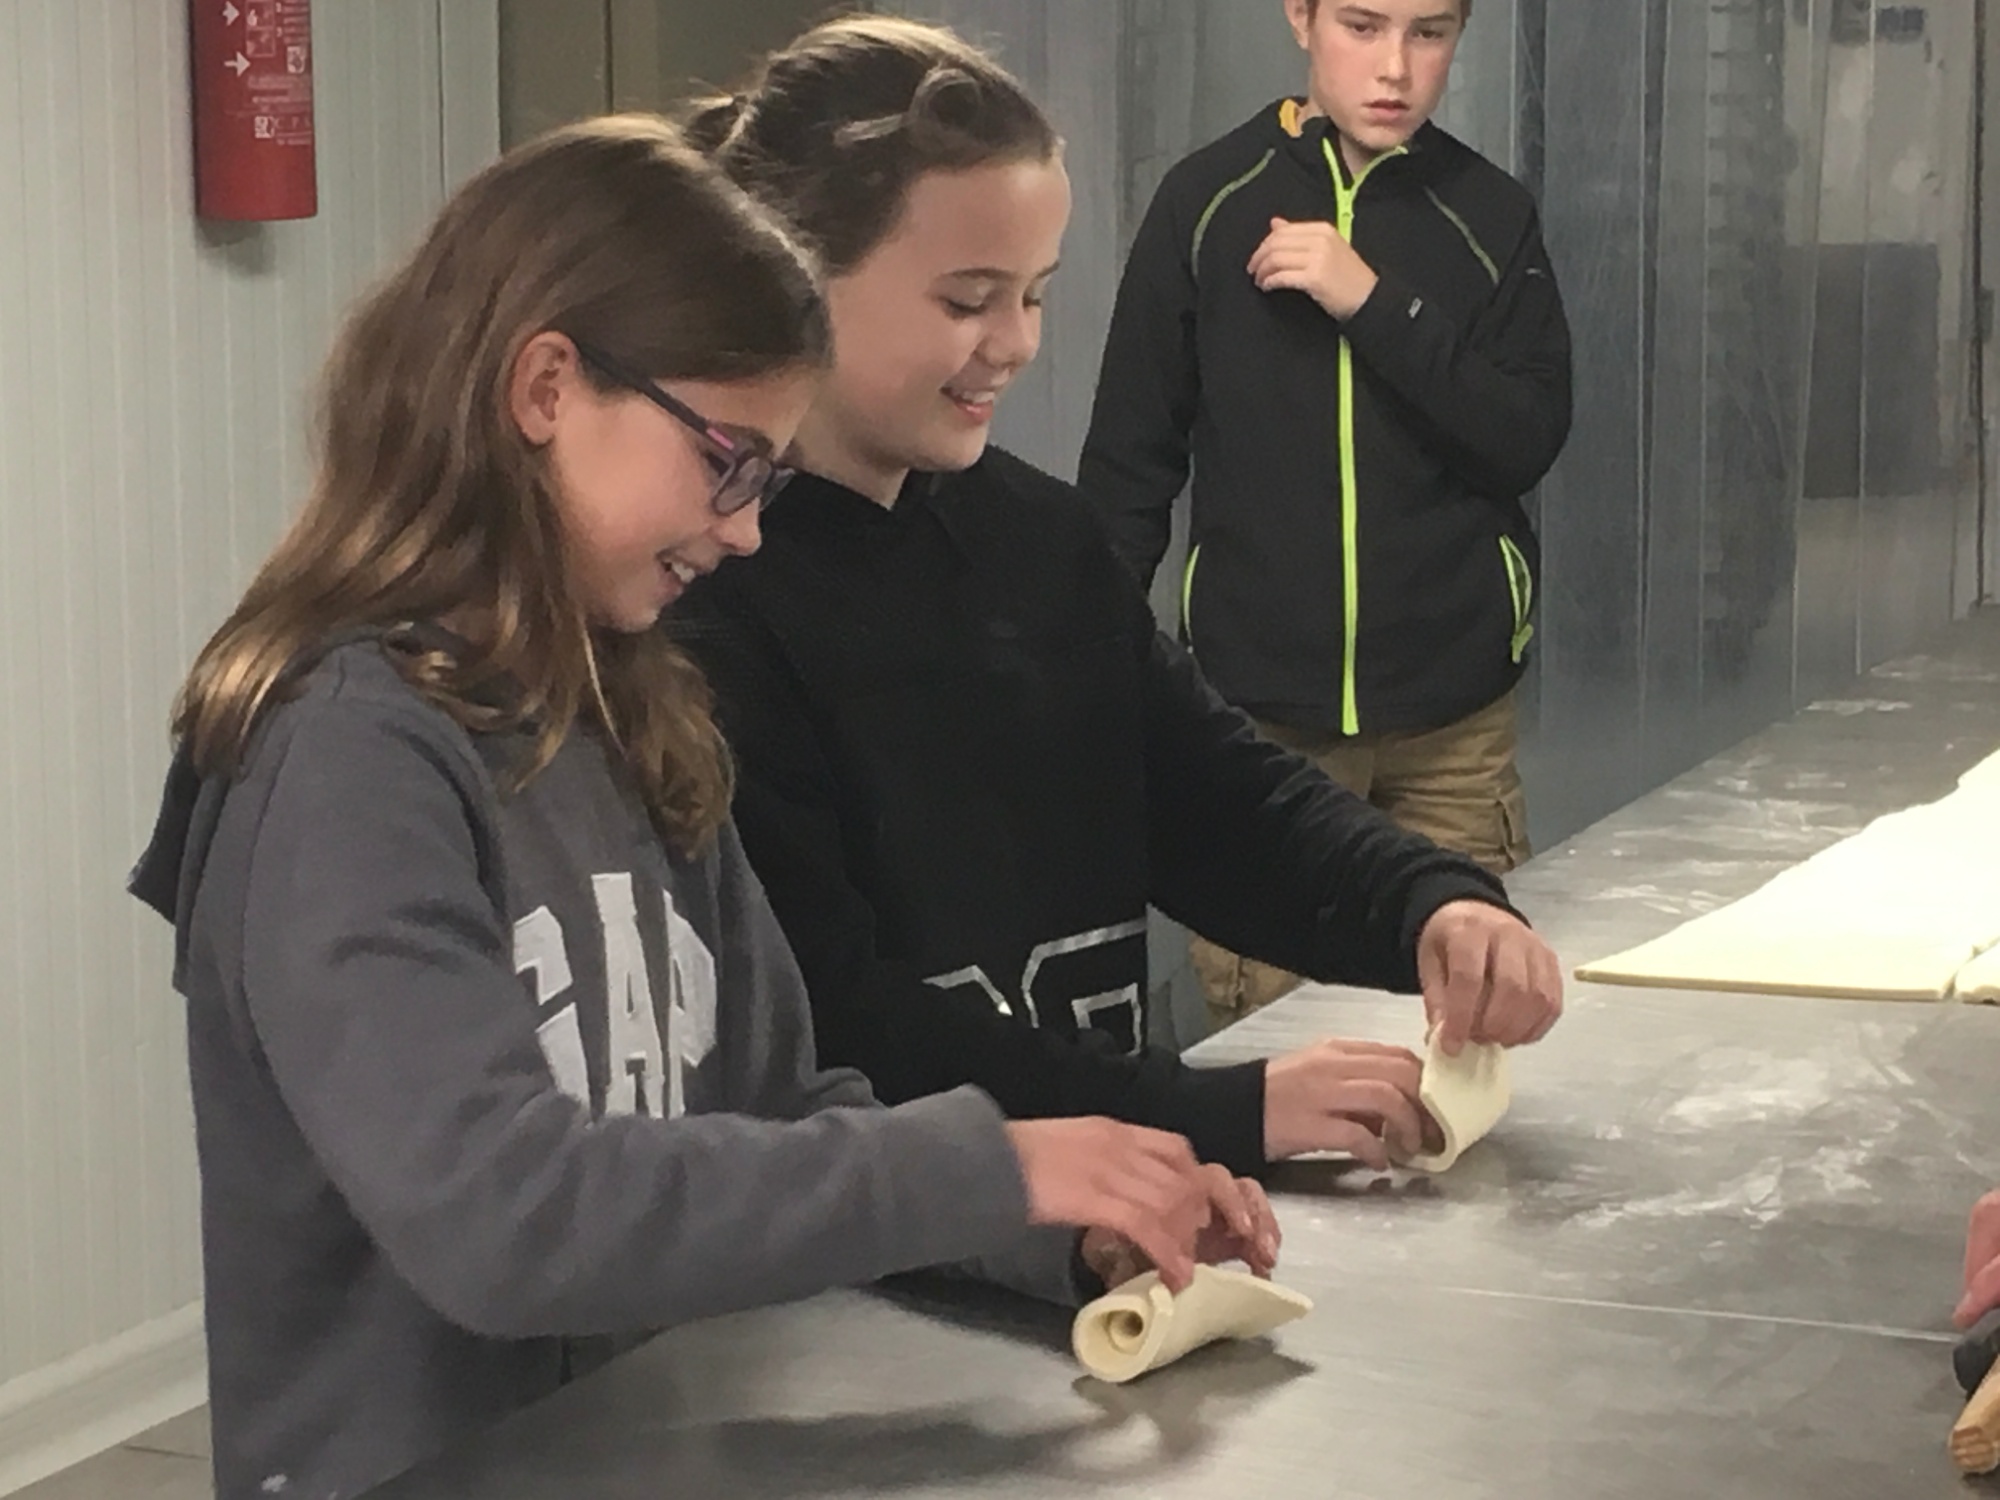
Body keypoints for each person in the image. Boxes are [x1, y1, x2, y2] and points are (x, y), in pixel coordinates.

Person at [127, 117, 1273, 1500]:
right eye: (727, 464)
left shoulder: (637, 716)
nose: (745, 531)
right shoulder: (347, 762)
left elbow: (785, 1106)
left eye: (771, 483)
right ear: (547, 386)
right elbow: (507, 1218)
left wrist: (1061, 1230)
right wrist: (990, 1167)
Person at [672, 16, 1565, 1187]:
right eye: (966, 301)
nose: (1014, 346)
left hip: (1101, 1223)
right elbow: (843, 1024)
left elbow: (1214, 797)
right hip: (878, 1274)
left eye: (1034, 296)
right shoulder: (714, 599)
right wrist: (1209, 1110)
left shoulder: (1039, 541)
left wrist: (1426, 905)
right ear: (795, 280)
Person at [1078, 0, 1574, 1025]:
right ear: (1298, 18)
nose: (1394, 66)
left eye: (1428, 33)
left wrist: (1370, 301)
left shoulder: (1486, 213)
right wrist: (1094, 671)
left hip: (1451, 719)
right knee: (1276, 1039)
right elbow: (1130, 462)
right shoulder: (1205, 204)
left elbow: (1522, 435)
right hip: (1258, 725)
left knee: (1458, 1029)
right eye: (1361, 24)